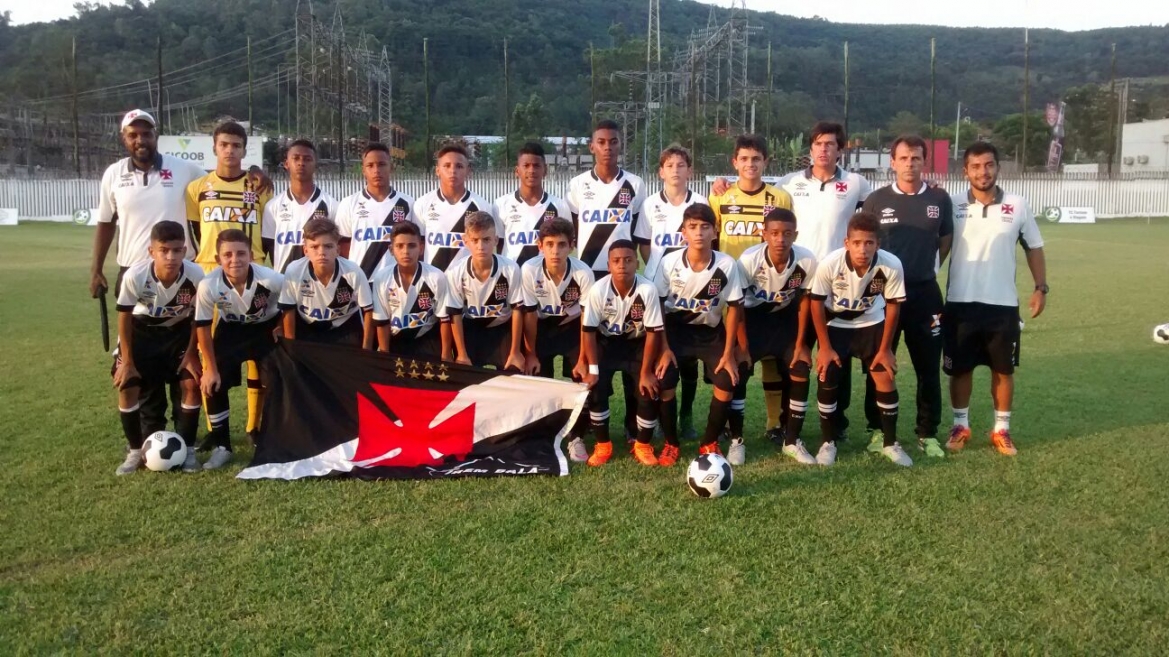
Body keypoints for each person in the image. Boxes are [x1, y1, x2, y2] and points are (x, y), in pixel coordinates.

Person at [92, 109, 206, 447]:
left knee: (183, 359)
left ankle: (183, 437)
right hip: (133, 272)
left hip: (181, 271)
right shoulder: (113, 174)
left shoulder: (183, 169)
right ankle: (152, 436)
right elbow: (106, 222)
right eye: (133, 134)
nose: (140, 139)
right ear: (124, 138)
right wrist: (96, 269)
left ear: (156, 135)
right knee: (141, 363)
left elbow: (215, 184)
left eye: (146, 133)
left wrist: (253, 173)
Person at [945, 142, 1047, 456]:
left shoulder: (1017, 204)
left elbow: (1034, 246)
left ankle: (1001, 430)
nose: (983, 172)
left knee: (1003, 370)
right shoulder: (952, 204)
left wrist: (1040, 287)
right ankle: (960, 426)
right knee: (960, 369)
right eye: (975, 166)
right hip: (960, 303)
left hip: (1002, 305)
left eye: (989, 165)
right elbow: (938, 245)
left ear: (998, 167)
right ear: (965, 171)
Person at [859, 135, 953, 458]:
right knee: (879, 363)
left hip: (924, 294)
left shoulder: (939, 198)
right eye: (903, 158)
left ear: (924, 161)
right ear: (893, 162)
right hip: (882, 295)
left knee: (928, 367)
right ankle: (877, 430)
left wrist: (924, 267)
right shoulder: (876, 199)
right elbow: (865, 242)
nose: (909, 164)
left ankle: (928, 433)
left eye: (915, 158)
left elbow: (945, 241)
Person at [186, 120, 275, 442]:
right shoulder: (197, 189)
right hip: (212, 275)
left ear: (244, 150)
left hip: (252, 272)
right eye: (224, 144)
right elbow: (196, 234)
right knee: (210, 352)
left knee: (257, 357)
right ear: (214, 147)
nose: (230, 151)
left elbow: (267, 235)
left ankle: (254, 426)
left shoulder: (259, 186)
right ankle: (215, 432)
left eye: (236, 145)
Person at [808, 212, 912, 467]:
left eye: (869, 243)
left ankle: (890, 443)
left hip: (871, 323)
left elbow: (894, 307)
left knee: (885, 376)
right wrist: (824, 347)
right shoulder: (830, 264)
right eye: (856, 243)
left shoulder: (891, 264)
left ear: (878, 244)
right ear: (847, 243)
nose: (862, 249)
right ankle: (828, 442)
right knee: (827, 376)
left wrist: (886, 349)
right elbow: (816, 304)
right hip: (837, 325)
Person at [568, 120, 649, 444]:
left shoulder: (635, 185)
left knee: (630, 346)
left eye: (613, 141)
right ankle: (588, 420)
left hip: (624, 277)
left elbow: (639, 234)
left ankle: (632, 424)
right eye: (601, 142)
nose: (607, 147)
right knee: (591, 351)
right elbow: (574, 231)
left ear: (620, 145)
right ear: (592, 147)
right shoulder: (577, 185)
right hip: (590, 278)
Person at [709, 134, 794, 439]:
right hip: (732, 293)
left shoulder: (779, 198)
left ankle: (773, 424)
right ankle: (725, 424)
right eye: (744, 159)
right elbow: (713, 241)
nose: (750, 164)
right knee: (730, 357)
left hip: (768, 291)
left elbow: (786, 237)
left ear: (765, 162)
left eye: (756, 159)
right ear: (734, 162)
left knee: (772, 360)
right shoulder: (720, 197)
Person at [654, 204, 746, 464]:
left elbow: (735, 308)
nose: (699, 233)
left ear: (714, 232)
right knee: (665, 379)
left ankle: (709, 442)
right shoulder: (669, 262)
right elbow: (657, 306)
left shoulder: (726, 264)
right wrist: (664, 348)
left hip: (710, 332)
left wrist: (729, 353)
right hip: (675, 332)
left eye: (705, 227)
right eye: (692, 227)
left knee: (727, 379)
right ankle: (671, 443)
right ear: (683, 232)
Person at [111, 221, 204, 475]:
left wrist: (192, 353)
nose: (171, 257)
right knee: (127, 384)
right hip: (141, 332)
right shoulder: (136, 275)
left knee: (191, 382)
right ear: (151, 251)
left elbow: (199, 317)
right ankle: (134, 451)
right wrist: (127, 361)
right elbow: (124, 317)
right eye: (164, 250)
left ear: (184, 250)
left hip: (178, 333)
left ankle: (188, 450)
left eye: (176, 250)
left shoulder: (196, 275)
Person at [734, 208, 819, 464]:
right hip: (753, 321)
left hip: (784, 322)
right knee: (739, 369)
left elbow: (805, 301)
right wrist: (742, 347)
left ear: (796, 235)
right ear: (764, 234)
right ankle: (736, 440)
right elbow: (737, 306)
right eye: (774, 233)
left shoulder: (806, 260)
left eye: (787, 233)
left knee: (799, 367)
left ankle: (792, 440)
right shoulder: (749, 259)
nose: (780, 239)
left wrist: (801, 344)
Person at [580, 240, 675, 467]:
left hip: (637, 344)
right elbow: (588, 331)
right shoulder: (598, 290)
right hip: (606, 344)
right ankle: (603, 444)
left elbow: (652, 332)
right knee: (595, 386)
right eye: (616, 261)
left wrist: (646, 372)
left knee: (647, 388)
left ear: (637, 263)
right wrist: (592, 369)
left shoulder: (647, 290)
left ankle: (642, 444)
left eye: (628, 260)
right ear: (608, 265)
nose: (622, 265)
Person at [194, 229, 284, 470]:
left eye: (241, 253)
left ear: (251, 255)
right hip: (231, 330)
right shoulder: (208, 284)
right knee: (214, 383)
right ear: (218, 259)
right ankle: (222, 447)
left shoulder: (271, 279)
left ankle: (273, 441)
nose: (235, 260)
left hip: (265, 330)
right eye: (228, 255)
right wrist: (210, 368)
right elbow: (202, 326)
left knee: (278, 381)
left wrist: (280, 325)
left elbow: (290, 305)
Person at [642, 144, 709, 440]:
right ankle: (658, 415)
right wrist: (658, 270)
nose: (675, 170)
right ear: (661, 172)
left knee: (689, 361)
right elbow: (645, 245)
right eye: (669, 165)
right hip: (659, 290)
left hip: (692, 290)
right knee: (660, 356)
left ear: (690, 171)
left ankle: (686, 415)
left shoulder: (701, 201)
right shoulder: (650, 204)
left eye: (681, 165)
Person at [519, 218, 595, 462]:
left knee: (582, 380)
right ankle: (543, 434)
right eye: (549, 244)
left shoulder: (583, 272)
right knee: (540, 380)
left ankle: (576, 436)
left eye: (561, 245)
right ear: (539, 245)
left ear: (571, 246)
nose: (555, 251)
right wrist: (530, 353)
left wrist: (583, 357)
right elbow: (530, 316)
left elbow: (587, 319)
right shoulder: (529, 270)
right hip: (542, 328)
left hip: (573, 328)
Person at [443, 212, 525, 370]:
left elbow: (517, 310)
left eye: (486, 240)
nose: (481, 247)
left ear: (496, 240)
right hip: (471, 329)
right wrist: (461, 354)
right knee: (468, 375)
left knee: (512, 372)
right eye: (475, 240)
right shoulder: (455, 271)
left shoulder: (510, 269)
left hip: (502, 328)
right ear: (466, 241)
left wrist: (515, 351)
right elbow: (455, 314)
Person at [278, 218, 373, 347]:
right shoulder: (294, 271)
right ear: (305, 251)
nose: (322, 252)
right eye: (314, 247)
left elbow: (368, 310)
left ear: (338, 250)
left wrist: (366, 349)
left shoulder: (353, 272)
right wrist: (292, 347)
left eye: (328, 246)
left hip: (344, 325)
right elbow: (288, 310)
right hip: (308, 325)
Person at [336, 142, 419, 278]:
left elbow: (415, 245)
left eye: (381, 164)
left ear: (391, 167)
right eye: (370, 165)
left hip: (394, 281)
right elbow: (344, 247)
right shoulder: (349, 203)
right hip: (360, 280)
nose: (376, 170)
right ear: (363, 170)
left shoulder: (407, 203)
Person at [370, 221, 452, 359]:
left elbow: (444, 320)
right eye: (399, 246)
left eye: (412, 245)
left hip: (427, 339)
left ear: (421, 248)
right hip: (396, 340)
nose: (406, 251)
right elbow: (382, 322)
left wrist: (446, 355)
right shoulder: (381, 278)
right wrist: (384, 355)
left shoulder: (436, 276)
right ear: (391, 250)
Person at [414, 142, 499, 271]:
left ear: (468, 171)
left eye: (459, 166)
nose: (453, 171)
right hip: (433, 278)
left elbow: (487, 248)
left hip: (467, 279)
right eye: (447, 166)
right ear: (437, 170)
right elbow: (417, 248)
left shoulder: (481, 205)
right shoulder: (422, 204)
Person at [262, 139, 339, 274]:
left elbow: (337, 248)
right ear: (286, 164)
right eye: (296, 158)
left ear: (315, 164)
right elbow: (268, 246)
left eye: (307, 159)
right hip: (285, 281)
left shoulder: (331, 205)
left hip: (319, 282)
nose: (301, 163)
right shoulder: (273, 207)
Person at [495, 141, 571, 266]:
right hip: (513, 275)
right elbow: (499, 245)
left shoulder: (559, 206)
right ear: (517, 171)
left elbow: (565, 246)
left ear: (545, 170)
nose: (531, 170)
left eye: (536, 166)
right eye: (526, 165)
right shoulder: (501, 205)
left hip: (545, 276)